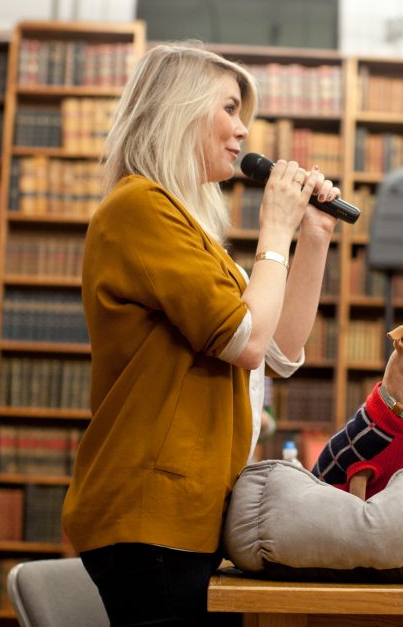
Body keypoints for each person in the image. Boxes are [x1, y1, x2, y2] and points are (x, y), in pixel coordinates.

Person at [61, 41, 341, 626]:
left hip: (190, 511)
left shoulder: (189, 230)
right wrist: (274, 229)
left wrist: (311, 237)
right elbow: (248, 340)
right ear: (179, 110)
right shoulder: (140, 207)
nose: (243, 130)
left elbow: (282, 349)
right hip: (151, 512)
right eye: (230, 108)